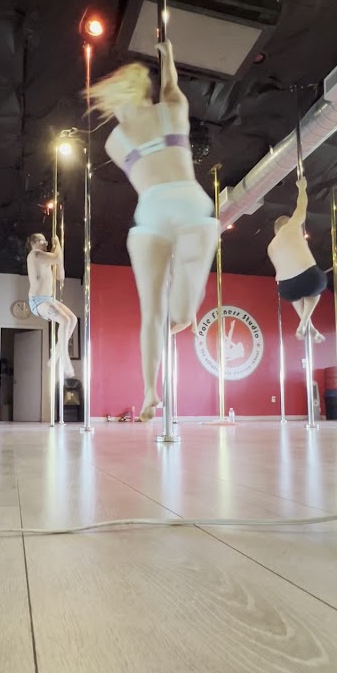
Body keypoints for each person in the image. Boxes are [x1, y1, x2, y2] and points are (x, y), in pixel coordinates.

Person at [89, 39, 219, 420]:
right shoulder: (173, 110)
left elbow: (140, 119)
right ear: (147, 91)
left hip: (150, 212)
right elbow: (171, 85)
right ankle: (186, 305)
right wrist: (168, 55)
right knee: (181, 303)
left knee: (152, 314)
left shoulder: (115, 141)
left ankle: (149, 392)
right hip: (188, 201)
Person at [267, 175, 327, 342]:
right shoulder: (292, 226)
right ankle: (304, 322)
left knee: (297, 295)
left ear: (275, 231)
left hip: (286, 288)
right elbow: (302, 206)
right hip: (309, 278)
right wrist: (302, 188)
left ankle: (308, 326)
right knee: (316, 289)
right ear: (286, 224)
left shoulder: (270, 246)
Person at [26, 233, 77, 378]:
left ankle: (55, 355)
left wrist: (58, 258)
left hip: (49, 299)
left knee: (72, 320)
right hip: (38, 301)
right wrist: (58, 243)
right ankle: (64, 359)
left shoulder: (45, 260)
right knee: (65, 320)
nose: (46, 243)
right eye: (43, 241)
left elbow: (61, 276)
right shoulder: (35, 255)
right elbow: (57, 258)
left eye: (46, 241)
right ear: (34, 243)